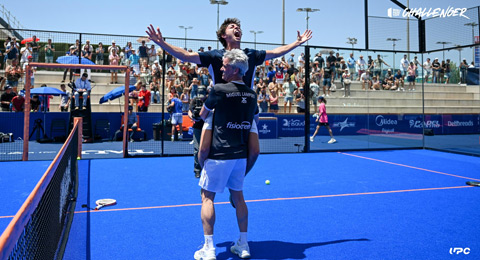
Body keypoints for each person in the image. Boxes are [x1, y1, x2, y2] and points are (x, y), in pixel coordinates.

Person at [195, 49, 260, 260]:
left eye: (224, 66)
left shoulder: (218, 89)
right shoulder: (252, 95)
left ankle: (209, 248)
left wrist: (201, 159)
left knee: (207, 198)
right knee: (239, 198)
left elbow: (202, 115)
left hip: (218, 155)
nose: (221, 69)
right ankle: (243, 244)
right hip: (240, 157)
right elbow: (250, 123)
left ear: (234, 68)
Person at [146, 18, 312, 88]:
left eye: (238, 27)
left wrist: (297, 42)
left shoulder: (251, 54)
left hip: (246, 107)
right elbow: (186, 56)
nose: (237, 28)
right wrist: (161, 43)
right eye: (232, 27)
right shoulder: (214, 56)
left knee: (252, 152)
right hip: (221, 106)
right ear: (224, 35)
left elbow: (276, 52)